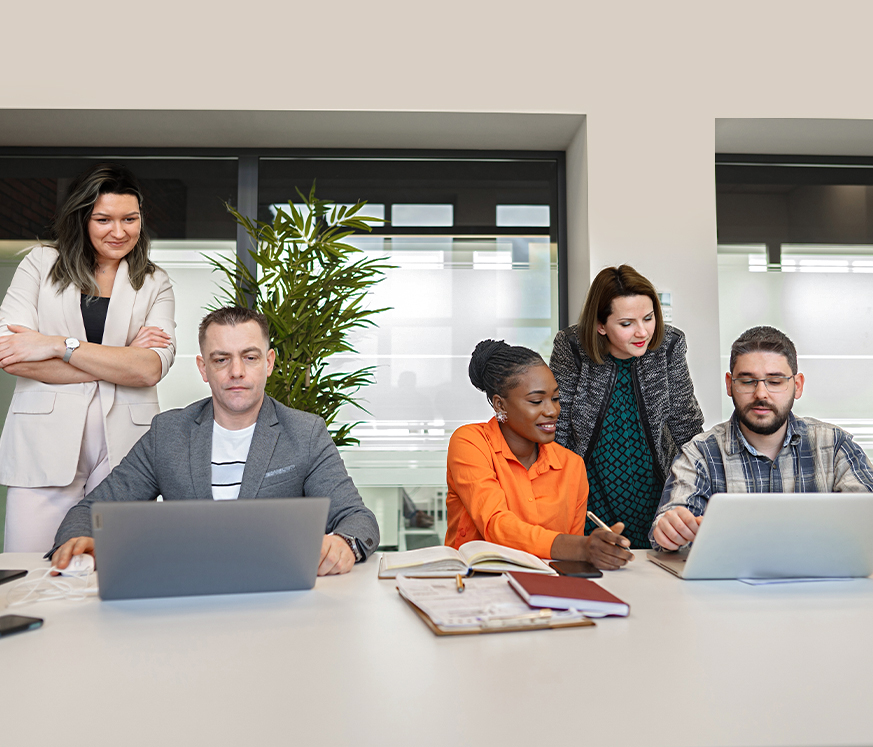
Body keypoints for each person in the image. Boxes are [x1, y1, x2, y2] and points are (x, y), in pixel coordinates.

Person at [50, 306, 379, 576]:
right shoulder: (168, 433)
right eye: (221, 359)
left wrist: (343, 544)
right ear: (203, 367)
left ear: (268, 363)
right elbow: (90, 511)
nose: (236, 371)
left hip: (277, 600)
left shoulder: (305, 433)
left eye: (250, 357)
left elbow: (358, 519)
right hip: (188, 600)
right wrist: (81, 542)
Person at [0, 163, 176, 552]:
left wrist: (57, 344)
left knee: (114, 567)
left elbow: (150, 369)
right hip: (42, 445)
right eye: (103, 219)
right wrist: (120, 362)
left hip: (127, 445)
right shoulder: (40, 264)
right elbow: (12, 355)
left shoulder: (154, 280)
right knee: (30, 568)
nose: (119, 231)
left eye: (130, 219)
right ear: (82, 218)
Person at [651, 326, 873, 551]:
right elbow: (671, 526)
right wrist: (670, 530)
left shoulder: (835, 445)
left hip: (824, 583)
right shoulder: (699, 454)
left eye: (775, 382)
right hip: (729, 585)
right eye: (748, 381)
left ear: (797, 385)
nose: (761, 394)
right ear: (730, 384)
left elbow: (867, 518)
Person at [549, 265, 703, 549]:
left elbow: (686, 423)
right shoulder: (572, 347)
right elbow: (556, 428)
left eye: (648, 318)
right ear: (600, 325)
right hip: (591, 488)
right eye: (626, 323)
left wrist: (700, 488)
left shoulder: (670, 345)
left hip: (655, 488)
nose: (642, 332)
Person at [444, 339, 633, 570]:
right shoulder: (471, 442)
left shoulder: (571, 465)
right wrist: (580, 547)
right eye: (536, 401)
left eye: (555, 398)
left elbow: (569, 561)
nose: (552, 411)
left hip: (548, 590)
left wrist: (593, 550)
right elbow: (496, 525)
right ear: (500, 405)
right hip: (476, 584)